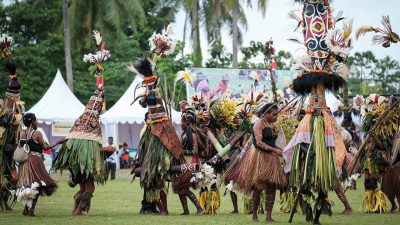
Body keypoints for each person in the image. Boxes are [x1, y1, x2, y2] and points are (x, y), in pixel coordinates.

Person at [52, 31, 112, 216]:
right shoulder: (92, 124)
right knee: (90, 188)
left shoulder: (80, 122)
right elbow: (92, 148)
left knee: (84, 187)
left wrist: (56, 143)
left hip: (76, 164)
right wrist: (109, 150)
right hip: (83, 163)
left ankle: (75, 210)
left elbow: (67, 140)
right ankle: (78, 211)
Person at [235, 103, 286, 223]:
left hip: (272, 159)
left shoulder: (271, 124)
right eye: (273, 114)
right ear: (266, 113)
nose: (275, 117)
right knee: (259, 187)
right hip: (260, 157)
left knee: (272, 187)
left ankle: (269, 216)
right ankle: (254, 216)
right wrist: (275, 150)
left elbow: (271, 142)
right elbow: (258, 143)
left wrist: (282, 150)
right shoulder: (259, 124)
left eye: (277, 114)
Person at [17, 113, 63, 216]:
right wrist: (58, 142)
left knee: (28, 186)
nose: (36, 122)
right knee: (38, 185)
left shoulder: (22, 133)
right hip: (35, 162)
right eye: (35, 120)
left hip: (24, 163)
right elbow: (46, 147)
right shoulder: (36, 133)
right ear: (33, 122)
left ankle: (26, 209)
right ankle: (30, 210)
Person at [0, 60, 24, 212]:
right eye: (13, 95)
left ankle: (5, 202)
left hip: (10, 151)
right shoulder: (2, 107)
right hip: (2, 149)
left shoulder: (18, 110)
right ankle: (3, 204)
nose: (15, 98)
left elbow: (19, 128)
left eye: (17, 95)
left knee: (13, 179)